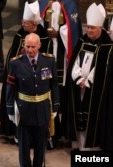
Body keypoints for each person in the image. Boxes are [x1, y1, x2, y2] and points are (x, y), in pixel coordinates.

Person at [0, 0, 53, 144]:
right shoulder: (19, 34)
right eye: (23, 21)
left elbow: (47, 64)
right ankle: (15, 133)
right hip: (19, 81)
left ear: (34, 24)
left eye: (26, 22)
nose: (23, 24)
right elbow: (13, 57)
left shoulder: (45, 38)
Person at [63, 2, 113, 151]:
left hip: (93, 90)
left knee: (92, 118)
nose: (89, 30)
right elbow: (74, 62)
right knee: (79, 117)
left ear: (100, 28)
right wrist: (78, 78)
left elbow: (103, 69)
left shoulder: (107, 46)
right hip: (79, 88)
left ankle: (92, 148)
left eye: (92, 28)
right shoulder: (82, 41)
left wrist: (89, 81)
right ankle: (79, 145)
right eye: (88, 27)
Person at [6, 33, 59, 167]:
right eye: (27, 46)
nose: (30, 50)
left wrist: (56, 106)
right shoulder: (15, 63)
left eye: (33, 47)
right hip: (24, 112)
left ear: (39, 46)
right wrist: (10, 110)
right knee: (24, 148)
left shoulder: (49, 61)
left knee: (41, 147)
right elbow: (10, 88)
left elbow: (54, 85)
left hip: (43, 111)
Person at [39, 0, 82, 148]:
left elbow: (73, 29)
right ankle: (48, 133)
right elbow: (38, 24)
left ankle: (63, 132)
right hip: (46, 51)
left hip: (62, 57)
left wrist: (58, 33)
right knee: (46, 89)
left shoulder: (70, 5)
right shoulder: (44, 2)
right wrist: (46, 31)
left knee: (61, 95)